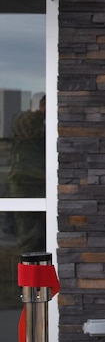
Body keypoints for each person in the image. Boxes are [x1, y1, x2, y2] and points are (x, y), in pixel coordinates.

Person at [8, 92, 46, 252]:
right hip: (24, 184)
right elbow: (27, 130)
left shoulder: (43, 127)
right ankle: (26, 275)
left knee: (42, 235)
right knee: (30, 236)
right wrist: (42, 113)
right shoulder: (26, 121)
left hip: (40, 183)